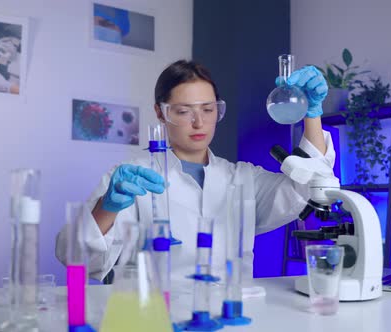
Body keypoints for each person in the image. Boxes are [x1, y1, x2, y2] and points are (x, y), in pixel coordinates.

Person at [55, 60, 337, 283]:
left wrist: (312, 112)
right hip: (156, 319)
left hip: (232, 317)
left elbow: (309, 185)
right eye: (183, 111)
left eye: (208, 109)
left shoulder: (242, 177)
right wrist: (107, 207)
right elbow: (77, 258)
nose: (199, 122)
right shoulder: (132, 178)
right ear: (160, 112)